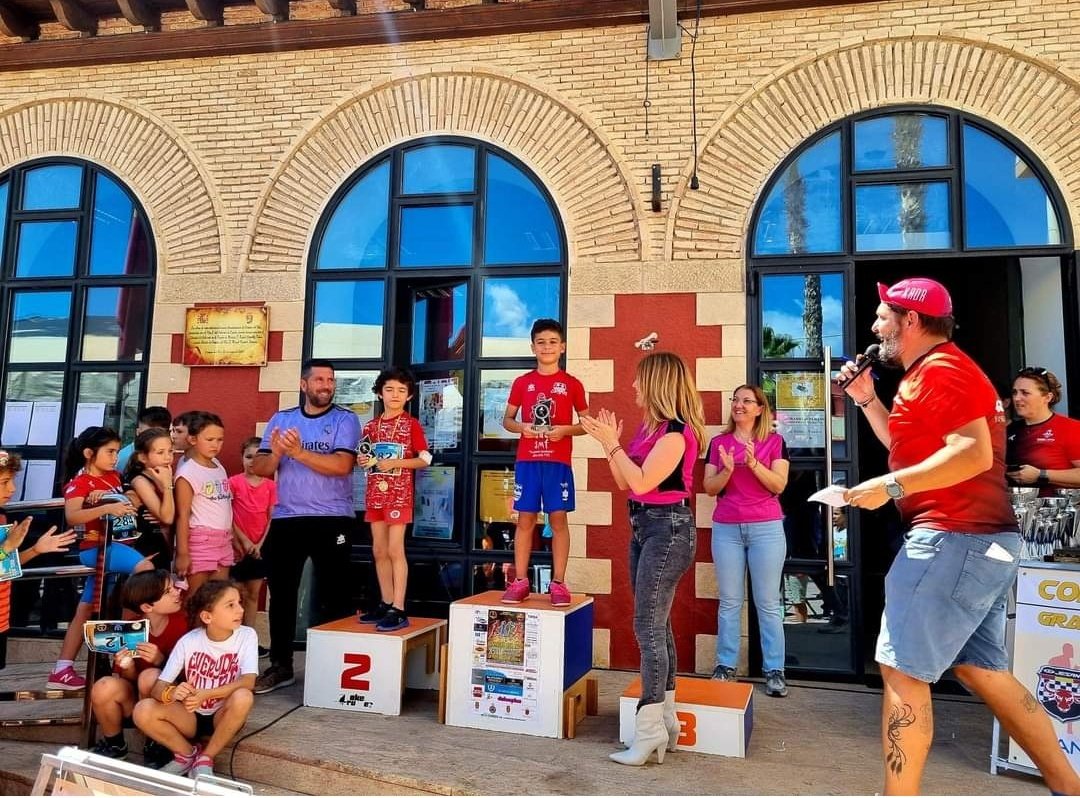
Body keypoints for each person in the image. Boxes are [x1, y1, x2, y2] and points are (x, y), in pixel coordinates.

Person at [840, 277, 1080, 796]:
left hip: (951, 539)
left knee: (902, 671)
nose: (874, 325)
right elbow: (907, 447)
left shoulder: (942, 370)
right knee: (981, 671)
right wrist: (866, 400)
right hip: (979, 542)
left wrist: (888, 486)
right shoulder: (925, 375)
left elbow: (970, 454)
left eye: (883, 315)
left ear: (910, 320)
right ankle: (1068, 784)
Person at [580, 351, 705, 766]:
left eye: (638, 381)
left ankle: (649, 730)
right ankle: (664, 722)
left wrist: (613, 444)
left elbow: (642, 479)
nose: (632, 387)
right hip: (646, 526)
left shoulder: (674, 435)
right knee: (658, 624)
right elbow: (626, 484)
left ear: (656, 384)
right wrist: (608, 445)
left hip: (667, 529)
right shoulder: (650, 432)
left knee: (647, 627)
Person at [251, 359, 360, 694]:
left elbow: (342, 465)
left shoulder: (346, 418)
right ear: (304, 385)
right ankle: (280, 666)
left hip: (333, 518)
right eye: (320, 380)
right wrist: (278, 453)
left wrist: (297, 452)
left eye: (330, 380)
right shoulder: (282, 419)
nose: (326, 385)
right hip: (287, 519)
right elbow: (262, 467)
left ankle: (331, 669)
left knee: (334, 595)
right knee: (282, 596)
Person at [703, 383, 791, 697]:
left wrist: (753, 464)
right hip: (727, 529)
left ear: (759, 409)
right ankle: (726, 666)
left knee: (767, 603)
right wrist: (727, 470)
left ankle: (774, 670)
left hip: (766, 528)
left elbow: (779, 484)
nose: (739, 405)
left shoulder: (775, 442)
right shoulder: (719, 443)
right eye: (735, 399)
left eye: (746, 401)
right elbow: (709, 488)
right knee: (729, 602)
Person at [50, 427, 151, 691]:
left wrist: (116, 498)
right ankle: (128, 644)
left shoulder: (114, 477)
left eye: (117, 451)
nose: (115, 457)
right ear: (88, 453)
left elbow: (131, 498)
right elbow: (72, 516)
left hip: (116, 545)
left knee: (85, 609)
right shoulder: (80, 482)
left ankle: (62, 668)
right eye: (110, 452)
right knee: (146, 571)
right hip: (98, 548)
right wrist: (105, 506)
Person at [500, 319, 589, 606]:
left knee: (558, 518)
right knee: (525, 519)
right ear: (533, 347)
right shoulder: (522, 383)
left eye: (552, 342)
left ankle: (559, 582)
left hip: (558, 462)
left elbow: (586, 423)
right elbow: (508, 420)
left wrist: (564, 430)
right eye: (541, 342)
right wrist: (523, 427)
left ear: (562, 347)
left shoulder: (572, 384)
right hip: (528, 460)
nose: (547, 347)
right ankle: (520, 581)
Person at [133, 580, 256, 778]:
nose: (240, 610)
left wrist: (206, 694)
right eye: (231, 605)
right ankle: (186, 755)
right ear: (207, 616)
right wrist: (172, 692)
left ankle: (206, 758)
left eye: (240, 603)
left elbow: (248, 681)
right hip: (189, 714)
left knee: (244, 696)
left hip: (222, 713)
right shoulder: (189, 641)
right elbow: (158, 688)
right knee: (142, 709)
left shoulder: (247, 636)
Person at [356, 368, 431, 632]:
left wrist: (396, 462)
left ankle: (399, 607)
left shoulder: (411, 424)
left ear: (409, 396)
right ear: (379, 393)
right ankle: (386, 602)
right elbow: (364, 457)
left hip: (399, 495)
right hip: (375, 494)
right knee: (378, 550)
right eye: (389, 389)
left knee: (395, 549)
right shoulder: (371, 426)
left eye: (401, 390)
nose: (395, 395)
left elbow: (425, 458)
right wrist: (363, 460)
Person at [89, 569, 188, 764]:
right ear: (147, 606)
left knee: (150, 676)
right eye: (169, 591)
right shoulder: (130, 628)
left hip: (173, 702)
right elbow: (127, 681)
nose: (177, 592)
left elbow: (191, 674)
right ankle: (115, 745)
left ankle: (156, 742)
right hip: (136, 701)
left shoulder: (184, 623)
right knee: (103, 686)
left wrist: (161, 660)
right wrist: (126, 665)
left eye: (174, 587)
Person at [0, 450, 77, 670]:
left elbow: (4, 567)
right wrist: (6, 547)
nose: (12, 489)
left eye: (11, 481)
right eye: (5, 482)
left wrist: (37, 549)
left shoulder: (2, 517)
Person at [174, 412, 233, 596]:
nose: (215, 445)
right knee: (195, 599)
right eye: (209, 439)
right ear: (192, 439)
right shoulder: (187, 472)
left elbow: (225, 506)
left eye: (219, 440)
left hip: (224, 539)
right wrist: (183, 553)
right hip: (200, 540)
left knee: (217, 599)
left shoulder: (218, 466)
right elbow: (183, 514)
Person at [229, 437, 276, 656]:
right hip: (236, 547)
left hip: (259, 548)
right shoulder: (234, 482)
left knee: (252, 595)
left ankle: (248, 641)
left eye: (258, 458)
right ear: (242, 458)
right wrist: (244, 541)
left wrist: (259, 544)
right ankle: (231, 638)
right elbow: (228, 515)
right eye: (248, 457)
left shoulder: (270, 486)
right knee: (233, 592)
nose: (252, 462)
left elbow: (270, 518)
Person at [1005, 366, 1080, 493]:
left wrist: (1042, 475)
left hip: (1057, 508)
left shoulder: (1070, 428)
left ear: (1047, 397)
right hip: (1015, 508)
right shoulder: (1009, 430)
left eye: (1025, 392)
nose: (1017, 398)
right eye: (1014, 392)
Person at [122, 428, 176, 568]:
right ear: (143, 457)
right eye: (160, 453)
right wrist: (168, 485)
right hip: (146, 543)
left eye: (170, 451)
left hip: (164, 541)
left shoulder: (164, 475)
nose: (167, 457)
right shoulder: (140, 480)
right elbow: (167, 517)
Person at [117, 406, 172, 473]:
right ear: (138, 432)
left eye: (170, 451)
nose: (167, 457)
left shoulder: (166, 456)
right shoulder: (125, 457)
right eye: (147, 435)